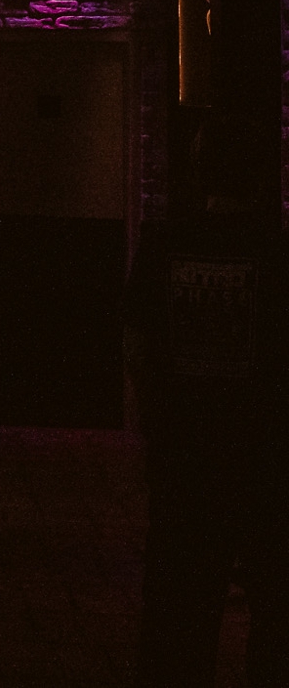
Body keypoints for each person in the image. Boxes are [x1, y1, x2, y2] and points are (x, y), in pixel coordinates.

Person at [128, 118, 286, 687]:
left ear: (199, 171)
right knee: (275, 614)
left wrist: (156, 423)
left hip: (185, 456)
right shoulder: (278, 255)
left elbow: (137, 347)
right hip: (263, 458)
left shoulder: (163, 244)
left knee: (179, 612)